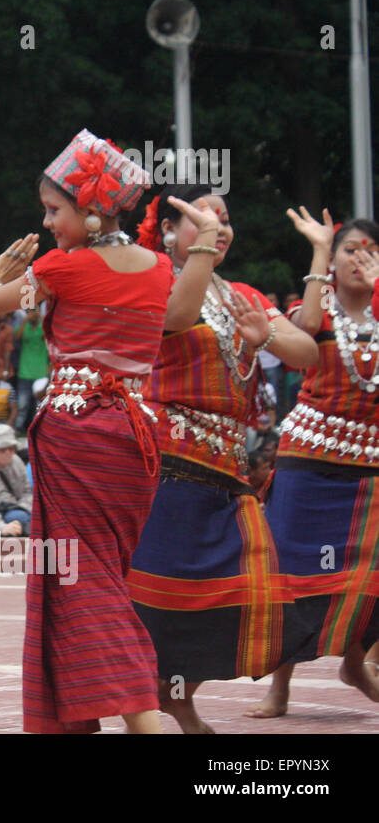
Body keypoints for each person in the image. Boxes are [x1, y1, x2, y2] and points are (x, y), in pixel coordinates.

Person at [0, 128, 218, 734]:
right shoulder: (158, 267)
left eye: (55, 209)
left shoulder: (64, 267)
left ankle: (144, 719)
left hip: (78, 434)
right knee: (102, 573)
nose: (49, 222)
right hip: (134, 442)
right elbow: (182, 315)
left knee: (86, 581)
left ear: (91, 207)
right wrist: (206, 247)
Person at [125, 182, 319, 733]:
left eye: (224, 217)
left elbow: (306, 353)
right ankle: (160, 703)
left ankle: (172, 694)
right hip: (167, 463)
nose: (220, 226)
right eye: (202, 216)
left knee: (247, 585)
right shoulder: (156, 280)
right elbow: (177, 320)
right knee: (158, 597)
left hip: (226, 470)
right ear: (167, 230)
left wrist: (266, 338)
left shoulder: (241, 295)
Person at [248, 212, 379, 718]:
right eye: (349, 249)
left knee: (363, 574)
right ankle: (279, 687)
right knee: (296, 572)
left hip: (370, 465)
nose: (359, 258)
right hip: (310, 460)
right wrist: (320, 251)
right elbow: (301, 342)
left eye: (369, 250)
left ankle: (355, 662)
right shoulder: (316, 310)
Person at [14, 307, 48, 430]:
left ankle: (37, 429)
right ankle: (18, 428)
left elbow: (49, 334)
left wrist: (41, 317)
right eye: (31, 312)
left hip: (40, 372)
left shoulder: (42, 327)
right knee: (22, 404)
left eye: (35, 311)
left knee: (39, 405)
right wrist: (24, 321)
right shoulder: (24, 327)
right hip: (24, 372)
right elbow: (17, 337)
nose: (33, 314)